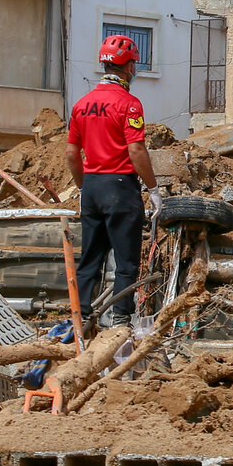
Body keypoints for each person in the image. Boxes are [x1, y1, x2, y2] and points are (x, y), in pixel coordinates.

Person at [66, 35, 160, 329]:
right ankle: (120, 320)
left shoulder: (82, 104)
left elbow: (71, 153)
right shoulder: (129, 104)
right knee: (126, 261)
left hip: (92, 186)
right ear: (128, 66)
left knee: (90, 259)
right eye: (134, 64)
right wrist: (153, 188)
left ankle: (79, 317)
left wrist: (84, 187)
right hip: (120, 187)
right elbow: (136, 150)